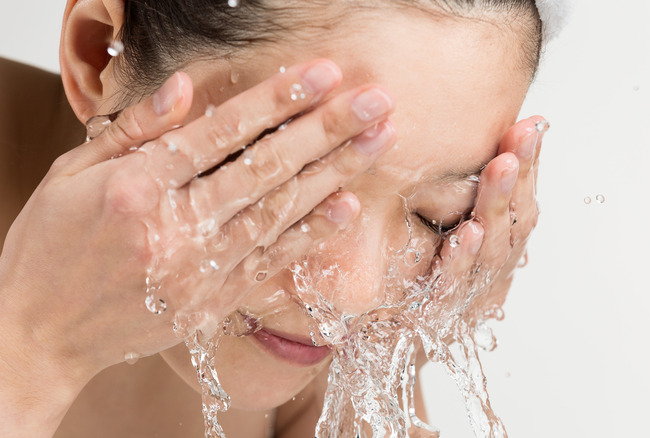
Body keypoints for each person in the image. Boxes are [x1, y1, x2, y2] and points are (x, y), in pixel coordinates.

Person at [0, 0, 554, 436]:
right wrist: (31, 351)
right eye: (290, 183)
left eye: (439, 216)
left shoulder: (325, 325)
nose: (354, 295)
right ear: (100, 55)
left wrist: (395, 357)